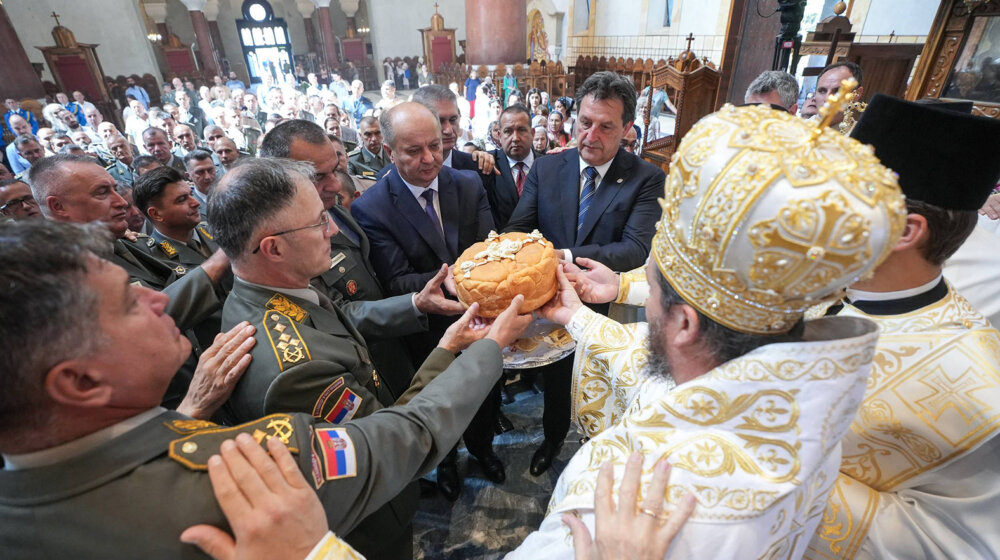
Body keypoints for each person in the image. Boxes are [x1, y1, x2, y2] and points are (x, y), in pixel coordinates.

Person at [510, 100, 908, 559]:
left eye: (650, 288)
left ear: (683, 323)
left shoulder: (628, 502)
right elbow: (652, 372)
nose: (644, 298)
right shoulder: (803, 408)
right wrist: (576, 316)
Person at [0, 217, 529, 559]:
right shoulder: (250, 473)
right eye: (128, 301)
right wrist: (485, 350)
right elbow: (403, 437)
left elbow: (339, 317)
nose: (161, 301)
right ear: (79, 381)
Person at [208, 157, 488, 558]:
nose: (334, 229)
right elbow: (391, 442)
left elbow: (345, 319)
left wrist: (438, 334)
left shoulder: (276, 289)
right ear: (273, 247)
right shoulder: (296, 369)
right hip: (368, 523)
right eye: (320, 221)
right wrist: (483, 349)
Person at [801, 95, 1000, 559]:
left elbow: (955, 545)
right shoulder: (820, 287)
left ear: (905, 231)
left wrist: (759, 462)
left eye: (843, 199)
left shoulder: (980, 390)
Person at [504, 71, 664, 477]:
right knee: (555, 377)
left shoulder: (646, 178)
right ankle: (552, 437)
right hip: (547, 301)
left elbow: (635, 248)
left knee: (592, 381)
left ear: (627, 128)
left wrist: (563, 255)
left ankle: (579, 444)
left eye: (606, 126)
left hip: (604, 307)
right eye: (584, 123)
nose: (591, 135)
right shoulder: (547, 169)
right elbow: (518, 229)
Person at [351, 102, 502, 502]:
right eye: (413, 151)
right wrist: (459, 276)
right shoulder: (371, 207)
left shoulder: (468, 184)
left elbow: (489, 250)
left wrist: (467, 279)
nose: (429, 158)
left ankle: (484, 450)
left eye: (435, 146)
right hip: (425, 331)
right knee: (437, 401)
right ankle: (446, 462)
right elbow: (396, 280)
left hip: (479, 317)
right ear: (388, 151)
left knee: (485, 391)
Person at [260, 119, 419, 400]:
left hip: (393, 347)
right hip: (357, 369)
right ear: (280, 176)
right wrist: (414, 305)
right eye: (318, 177)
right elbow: (333, 313)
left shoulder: (333, 208)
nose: (334, 184)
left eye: (335, 170)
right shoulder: (285, 241)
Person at [487, 104, 544, 229]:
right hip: (500, 244)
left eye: (522, 130)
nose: (515, 138)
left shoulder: (548, 165)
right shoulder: (487, 164)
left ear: (532, 133)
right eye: (508, 131)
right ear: (499, 135)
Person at [812, 61, 863, 128]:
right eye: (822, 91)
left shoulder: (860, 137)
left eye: (838, 91)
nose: (828, 98)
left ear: (857, 94)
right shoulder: (796, 128)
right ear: (815, 94)